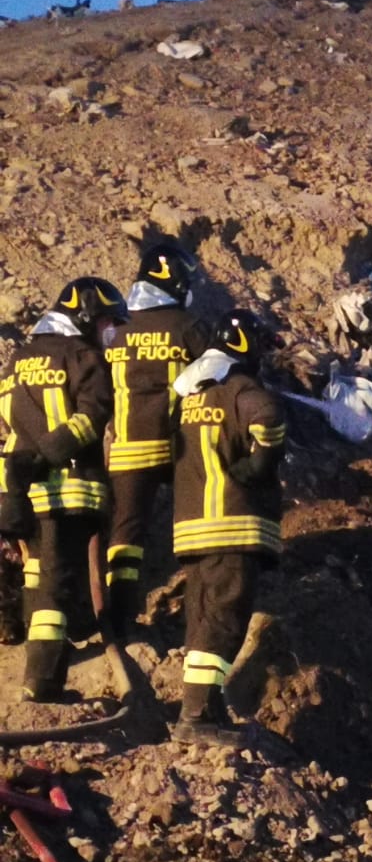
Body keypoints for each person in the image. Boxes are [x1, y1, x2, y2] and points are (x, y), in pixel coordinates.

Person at [0, 277, 126, 702]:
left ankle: (34, 669)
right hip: (67, 489)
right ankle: (44, 682)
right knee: (56, 584)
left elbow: (9, 421)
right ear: (87, 314)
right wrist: (53, 451)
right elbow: (94, 415)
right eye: (109, 321)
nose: (112, 331)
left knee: (37, 576)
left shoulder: (19, 360)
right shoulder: (83, 355)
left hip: (22, 492)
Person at [170, 309, 286, 746]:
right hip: (232, 524)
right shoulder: (240, 388)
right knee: (223, 619)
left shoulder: (191, 396)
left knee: (203, 616)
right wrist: (261, 460)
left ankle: (207, 710)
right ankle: (196, 718)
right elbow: (269, 417)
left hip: (193, 526)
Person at [103, 239, 208, 641]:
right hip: (179, 449)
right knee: (193, 531)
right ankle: (196, 620)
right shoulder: (186, 327)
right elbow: (216, 376)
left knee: (125, 539)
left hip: (128, 450)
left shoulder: (117, 332)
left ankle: (119, 621)